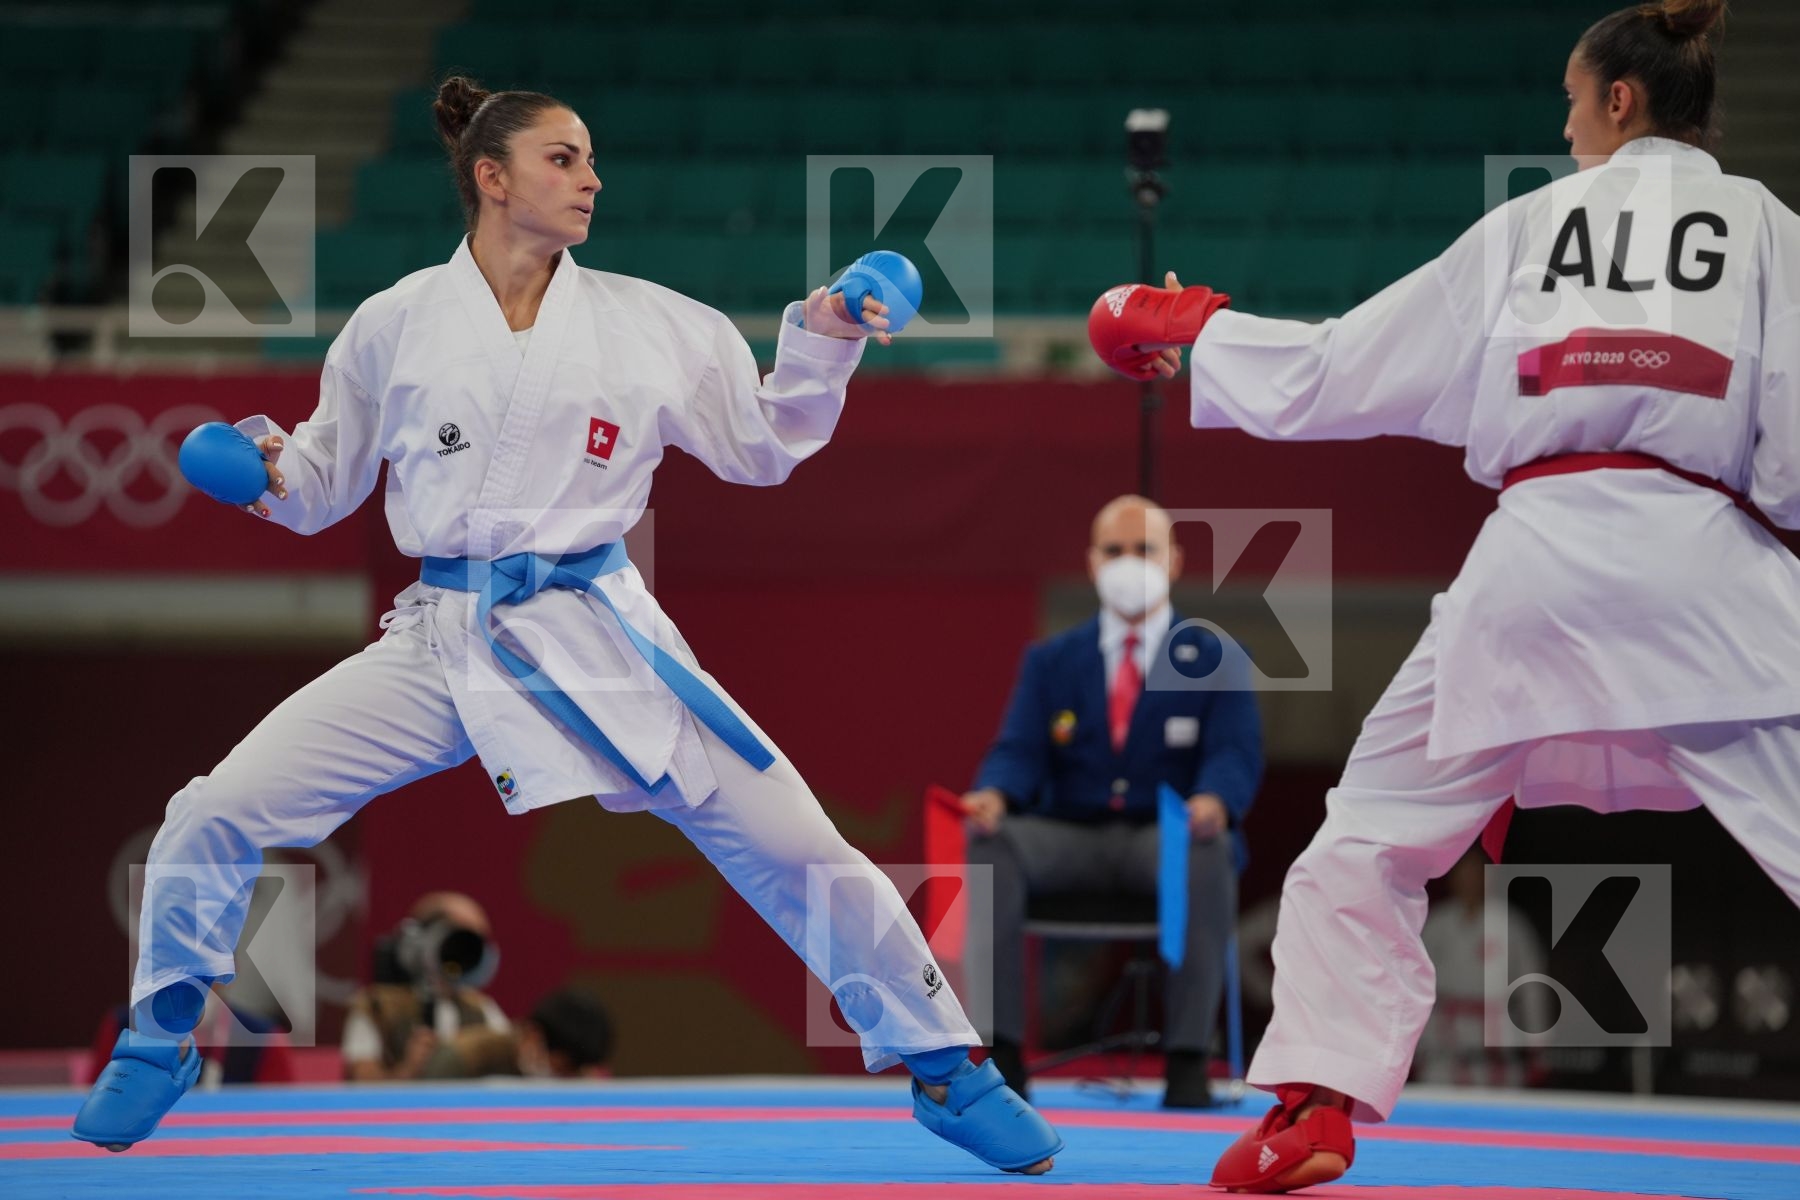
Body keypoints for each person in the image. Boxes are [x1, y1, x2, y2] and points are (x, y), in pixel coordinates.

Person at [72, 75, 1062, 1177]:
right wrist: (256, 471)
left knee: (801, 850)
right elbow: (318, 483)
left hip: (598, 634)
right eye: (563, 158)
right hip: (440, 635)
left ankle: (948, 1067)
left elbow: (769, 441)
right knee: (216, 808)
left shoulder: (646, 323)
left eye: (591, 159)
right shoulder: (394, 324)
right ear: (490, 178)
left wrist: (830, 326)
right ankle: (161, 1037)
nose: (592, 178)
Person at [1088, 0, 1790, 1191]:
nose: (1565, 125)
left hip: (1535, 566)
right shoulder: (1769, 229)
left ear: (1620, 100)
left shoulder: (1532, 225)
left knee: (1364, 841)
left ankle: (1313, 1109)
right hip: (1704, 575)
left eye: (1573, 101)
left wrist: (1198, 332)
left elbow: (1348, 365)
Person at [963, 494, 1261, 1106]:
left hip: (1166, 836)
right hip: (1071, 835)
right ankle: (1004, 1058)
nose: (1131, 563)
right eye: (1116, 550)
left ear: (1174, 561)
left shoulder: (1216, 657)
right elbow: (1019, 749)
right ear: (1093, 563)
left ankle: (1186, 1062)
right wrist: (994, 794)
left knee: (1210, 847)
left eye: (1145, 549)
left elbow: (1235, 754)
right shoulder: (1051, 662)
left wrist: (1213, 802)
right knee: (989, 842)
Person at [342, 891, 509, 1082]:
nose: (468, 950)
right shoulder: (376, 1007)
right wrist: (406, 1072)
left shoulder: (481, 1008)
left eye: (477, 940)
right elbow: (360, 1087)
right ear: (420, 939)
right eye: (460, 938)